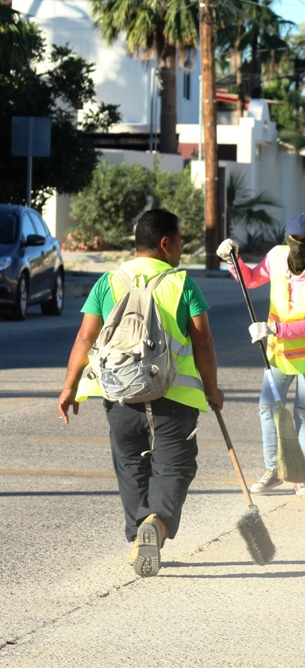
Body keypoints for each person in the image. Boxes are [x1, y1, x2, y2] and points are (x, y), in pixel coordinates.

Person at [57, 209, 224, 578]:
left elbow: (85, 338)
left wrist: (70, 387)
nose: (182, 248)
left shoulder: (108, 281)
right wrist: (212, 390)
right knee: (175, 467)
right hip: (174, 398)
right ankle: (157, 525)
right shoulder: (182, 284)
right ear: (165, 243)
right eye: (180, 241)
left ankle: (138, 536)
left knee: (131, 465)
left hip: (119, 394)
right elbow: (204, 342)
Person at [217, 213, 305, 496]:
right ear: (286, 238)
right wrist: (233, 258)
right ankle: (273, 470)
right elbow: (250, 280)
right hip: (279, 354)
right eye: (294, 240)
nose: (299, 246)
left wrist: (273, 328)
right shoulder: (276, 257)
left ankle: (300, 474)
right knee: (268, 409)